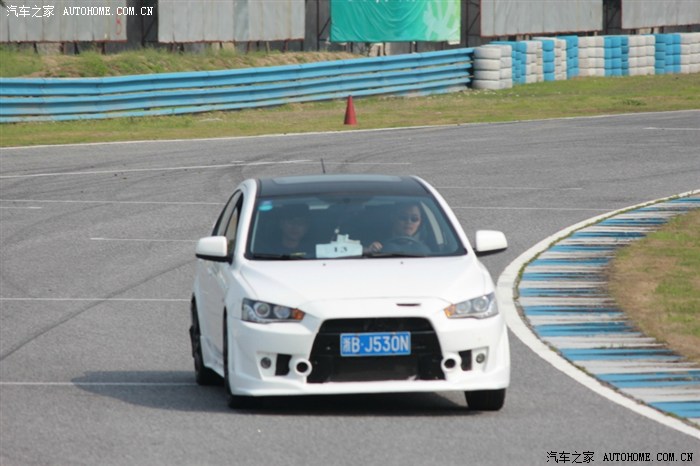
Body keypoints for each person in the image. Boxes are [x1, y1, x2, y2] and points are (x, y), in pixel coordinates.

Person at [366, 202, 430, 254]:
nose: (409, 222)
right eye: (403, 217)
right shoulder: (373, 238)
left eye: (414, 219)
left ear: (420, 221)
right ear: (393, 218)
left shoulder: (429, 247)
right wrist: (369, 251)